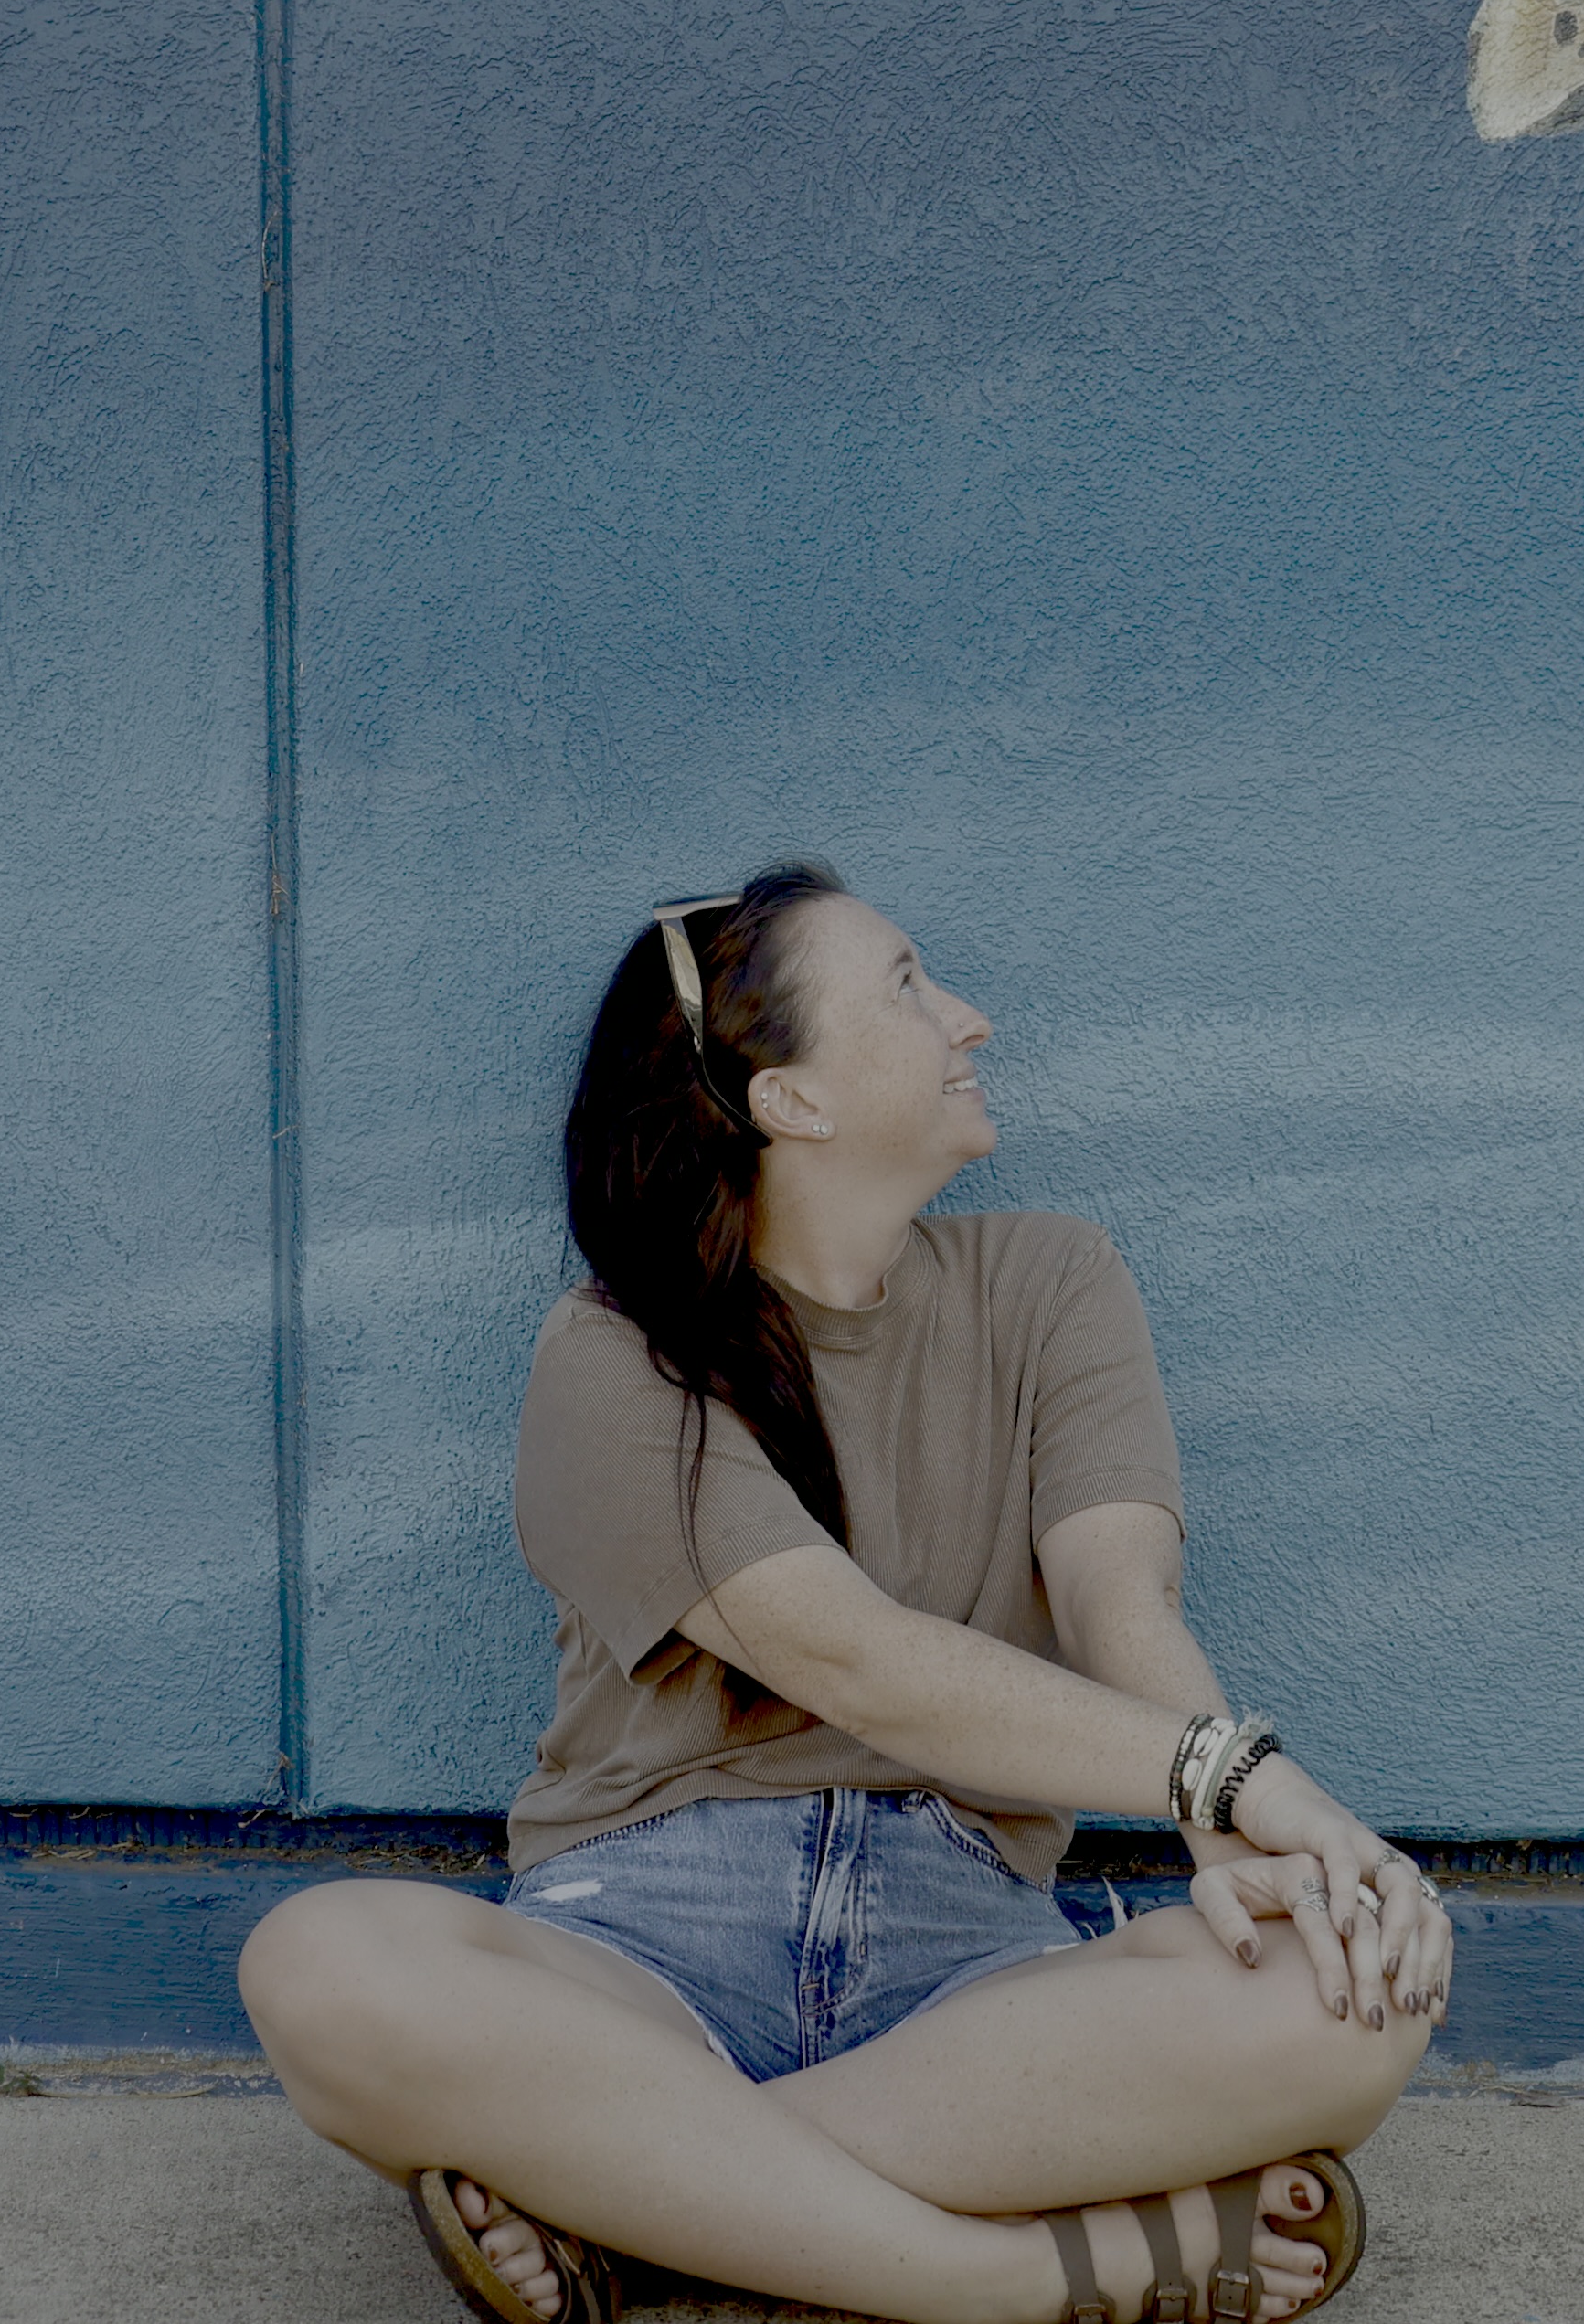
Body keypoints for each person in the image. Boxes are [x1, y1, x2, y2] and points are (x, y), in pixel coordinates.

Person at [241, 865, 1449, 2324]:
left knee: (1351, 1991)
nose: (970, 1020)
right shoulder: (612, 1352)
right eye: (906, 986)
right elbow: (860, 1662)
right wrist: (1246, 1773)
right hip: (642, 1950)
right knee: (323, 1963)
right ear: (788, 1103)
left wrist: (1233, 1838)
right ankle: (1004, 2272)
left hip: (970, 1970)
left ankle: (630, 2214)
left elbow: (1121, 1607)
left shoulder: (1052, 1281)